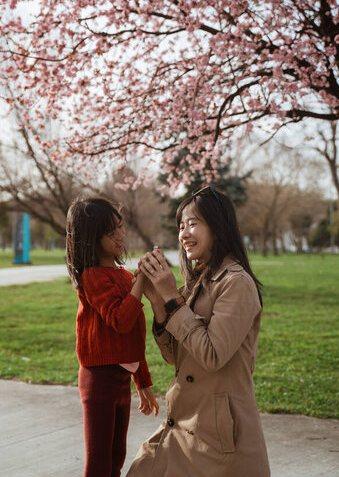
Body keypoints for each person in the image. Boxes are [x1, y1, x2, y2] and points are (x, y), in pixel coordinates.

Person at [126, 186, 270, 477]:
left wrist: (171, 295)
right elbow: (175, 358)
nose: (184, 234)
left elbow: (212, 355)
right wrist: (158, 303)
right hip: (182, 426)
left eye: (193, 223)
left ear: (218, 226)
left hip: (218, 437)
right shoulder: (198, 282)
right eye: (181, 226)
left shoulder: (236, 283)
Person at [66, 197, 159, 477]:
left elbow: (133, 335)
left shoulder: (123, 275)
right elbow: (120, 321)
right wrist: (140, 281)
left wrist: (142, 382)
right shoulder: (93, 277)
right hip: (99, 381)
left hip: (120, 381)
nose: (120, 235)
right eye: (110, 232)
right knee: (99, 463)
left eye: (120, 226)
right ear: (91, 239)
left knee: (116, 457)